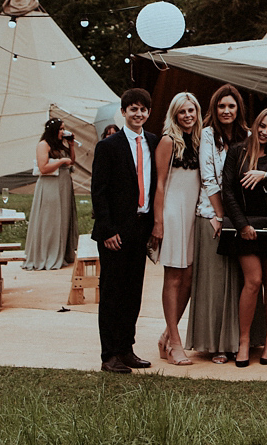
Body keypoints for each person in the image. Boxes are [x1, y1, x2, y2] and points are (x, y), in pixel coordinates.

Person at [91, 88, 159, 374]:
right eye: (133, 109)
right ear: (124, 112)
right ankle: (110, 355)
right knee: (112, 293)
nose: (138, 114)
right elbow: (99, 191)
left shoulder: (154, 143)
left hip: (140, 227)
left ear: (148, 113)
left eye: (143, 109)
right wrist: (107, 230)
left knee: (133, 293)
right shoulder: (109, 146)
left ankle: (126, 349)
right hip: (115, 232)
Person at [187, 84, 255, 365]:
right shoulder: (206, 135)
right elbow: (208, 178)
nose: (226, 111)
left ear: (238, 109)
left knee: (243, 281)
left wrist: (237, 219)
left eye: (231, 106)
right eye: (221, 106)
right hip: (211, 216)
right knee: (215, 283)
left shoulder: (249, 136)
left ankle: (242, 340)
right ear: (214, 109)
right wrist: (220, 217)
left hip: (242, 218)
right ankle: (216, 344)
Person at [222, 107, 267, 367]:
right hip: (245, 228)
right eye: (263, 126)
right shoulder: (237, 152)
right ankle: (244, 341)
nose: (265, 132)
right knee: (253, 280)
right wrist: (241, 225)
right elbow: (227, 191)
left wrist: (266, 177)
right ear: (256, 124)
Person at [151, 92, 203, 366]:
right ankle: (175, 343)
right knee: (173, 277)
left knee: (190, 278)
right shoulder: (168, 142)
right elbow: (159, 184)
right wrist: (158, 222)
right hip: (172, 214)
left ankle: (166, 336)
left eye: (191, 110)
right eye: (182, 111)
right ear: (174, 114)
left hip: (193, 215)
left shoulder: (199, 141)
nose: (187, 115)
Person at [24, 117, 79, 271]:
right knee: (51, 218)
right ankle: (46, 254)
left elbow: (71, 161)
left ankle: (63, 252)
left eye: (63, 128)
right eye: (61, 129)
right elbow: (43, 167)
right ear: (53, 130)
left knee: (63, 217)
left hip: (63, 185)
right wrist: (61, 161)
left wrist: (71, 146)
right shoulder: (43, 145)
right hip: (50, 185)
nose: (63, 131)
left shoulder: (60, 145)